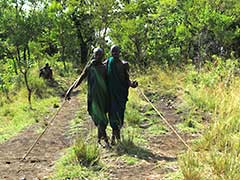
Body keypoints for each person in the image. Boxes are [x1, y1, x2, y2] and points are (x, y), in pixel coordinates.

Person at [65, 48, 110, 147]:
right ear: (93, 55)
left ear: (103, 56)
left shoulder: (105, 68)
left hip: (103, 98)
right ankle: (102, 140)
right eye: (96, 55)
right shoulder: (90, 67)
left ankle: (103, 140)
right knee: (97, 118)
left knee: (102, 119)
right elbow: (80, 79)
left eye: (100, 55)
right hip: (93, 97)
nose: (98, 57)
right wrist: (70, 90)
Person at [105, 45, 138, 145]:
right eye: (112, 52)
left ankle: (115, 136)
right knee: (112, 116)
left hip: (121, 95)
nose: (114, 53)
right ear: (110, 53)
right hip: (111, 95)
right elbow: (98, 69)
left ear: (120, 52)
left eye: (116, 51)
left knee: (120, 116)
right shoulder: (107, 62)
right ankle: (115, 137)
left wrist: (132, 84)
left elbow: (127, 79)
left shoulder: (125, 64)